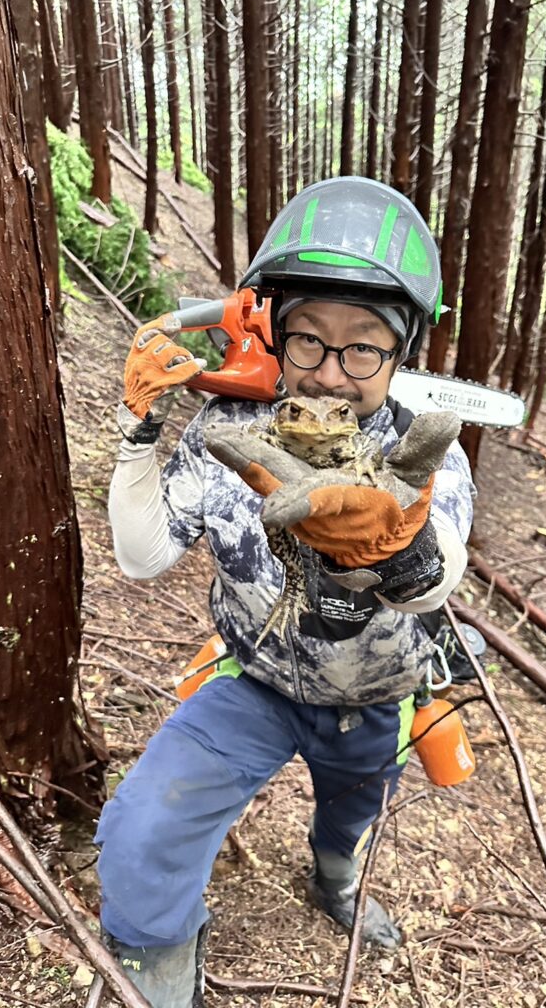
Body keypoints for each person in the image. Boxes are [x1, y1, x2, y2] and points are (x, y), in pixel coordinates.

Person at [95, 177, 475, 1007]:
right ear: (275, 334)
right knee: (140, 828)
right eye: (309, 341)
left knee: (351, 818)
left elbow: (441, 570)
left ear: (399, 352)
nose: (333, 374)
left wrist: (393, 552)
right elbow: (143, 557)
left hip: (375, 700)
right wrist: (143, 431)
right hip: (255, 683)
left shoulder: (422, 453)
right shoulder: (229, 436)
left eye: (363, 347)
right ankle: (160, 964)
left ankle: (335, 882)